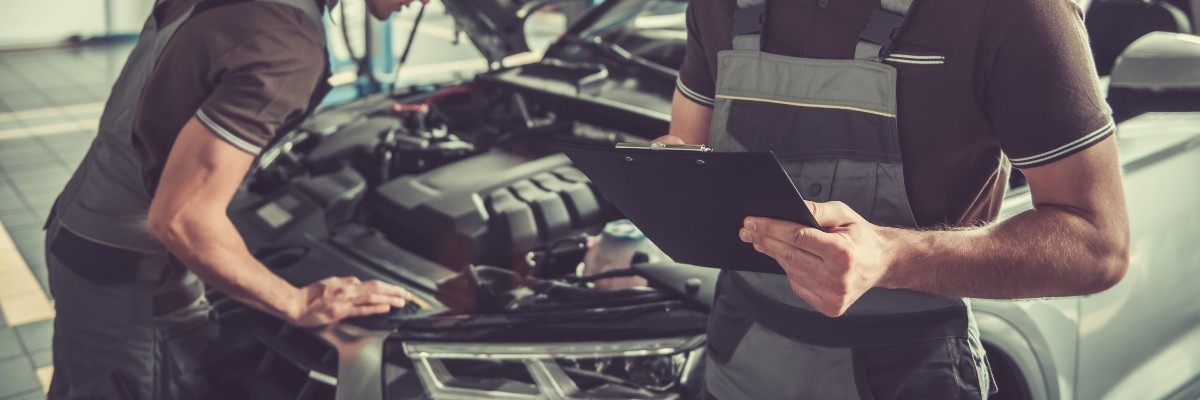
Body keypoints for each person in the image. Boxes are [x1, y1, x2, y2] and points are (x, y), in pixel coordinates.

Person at [658, 0, 1129, 398]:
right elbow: (688, 144)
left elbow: (1097, 244)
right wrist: (663, 176)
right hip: (737, 359)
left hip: (908, 374)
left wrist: (890, 257)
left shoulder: (1013, 12)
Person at [43, 0, 426, 398]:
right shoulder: (288, 43)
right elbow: (182, 219)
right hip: (133, 285)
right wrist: (297, 302)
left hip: (80, 237)